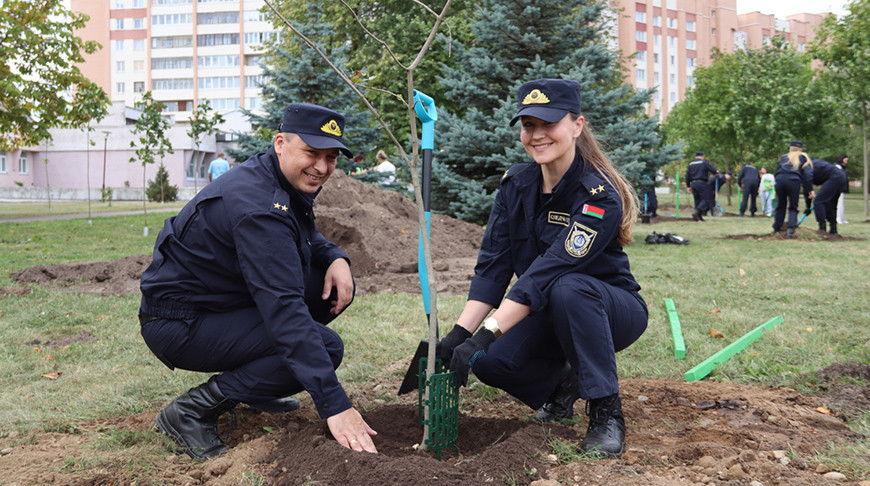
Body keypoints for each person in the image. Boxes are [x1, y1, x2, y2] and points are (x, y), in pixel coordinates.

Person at [138, 103, 378, 459]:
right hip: (179, 321)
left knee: (326, 291)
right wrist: (335, 406)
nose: (322, 167)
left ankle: (257, 382)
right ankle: (191, 411)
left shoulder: (276, 175)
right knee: (324, 348)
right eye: (312, 153)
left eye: (331, 157)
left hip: (221, 301)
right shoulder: (259, 207)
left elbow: (303, 231)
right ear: (280, 143)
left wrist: (334, 257)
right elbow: (284, 310)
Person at [439, 79, 648, 458]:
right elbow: (493, 266)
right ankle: (564, 386)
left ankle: (606, 412)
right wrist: (460, 334)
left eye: (548, 124)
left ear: (577, 126)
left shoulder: (597, 196)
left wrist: (486, 332)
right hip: (547, 309)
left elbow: (547, 272)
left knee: (568, 286)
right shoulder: (516, 185)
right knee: (490, 362)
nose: (537, 135)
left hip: (610, 310)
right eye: (528, 125)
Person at [773, 140, 814, 239]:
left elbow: (777, 171)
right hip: (793, 181)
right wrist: (810, 189)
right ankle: (790, 231)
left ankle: (777, 229)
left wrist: (776, 187)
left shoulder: (784, 157)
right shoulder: (803, 157)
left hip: (780, 180)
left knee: (780, 205)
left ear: (790, 148)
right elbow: (808, 174)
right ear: (801, 149)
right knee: (793, 206)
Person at [810, 158, 848, 234]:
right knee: (831, 204)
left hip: (835, 178)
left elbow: (807, 188)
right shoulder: (812, 163)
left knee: (818, 201)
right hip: (841, 177)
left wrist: (808, 206)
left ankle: (822, 229)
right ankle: (833, 230)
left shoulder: (806, 166)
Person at [685, 151, 719, 221]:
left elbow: (687, 176)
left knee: (697, 200)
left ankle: (698, 217)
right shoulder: (704, 163)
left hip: (694, 183)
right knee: (707, 199)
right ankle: (697, 211)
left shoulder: (691, 164)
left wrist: (688, 186)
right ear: (702, 157)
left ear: (695, 157)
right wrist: (716, 172)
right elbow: (713, 170)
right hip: (702, 183)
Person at [835, 154, 849, 224]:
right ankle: (838, 219)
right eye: (846, 158)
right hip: (837, 188)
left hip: (841, 188)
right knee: (839, 204)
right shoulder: (838, 166)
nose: (847, 160)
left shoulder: (843, 167)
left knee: (841, 204)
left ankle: (841, 218)